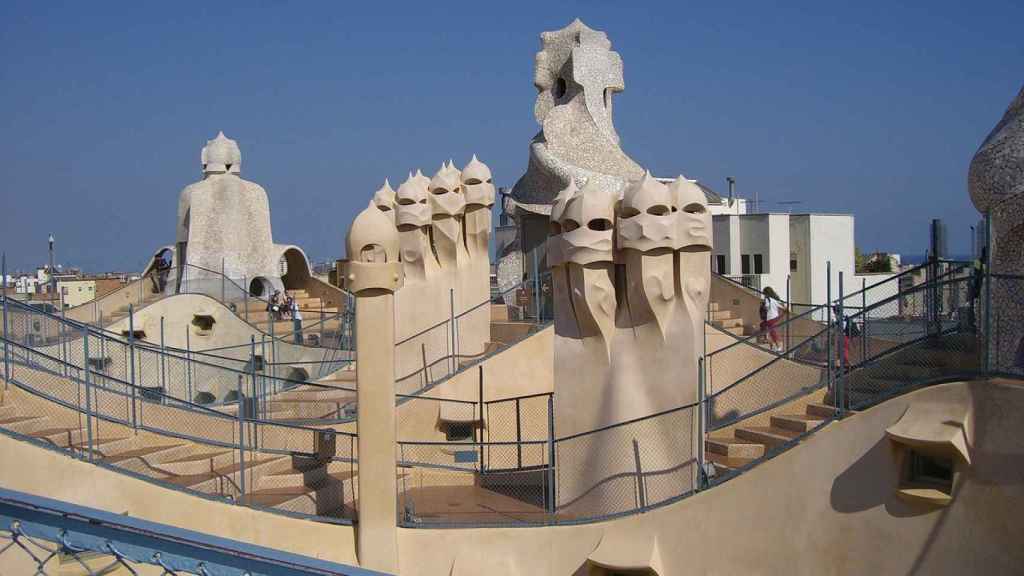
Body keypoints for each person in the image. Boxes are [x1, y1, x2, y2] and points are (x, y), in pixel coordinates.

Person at [760, 286, 785, 352]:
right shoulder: (775, 300)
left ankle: (778, 347)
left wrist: (764, 306)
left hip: (770, 318)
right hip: (775, 317)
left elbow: (767, 307)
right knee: (769, 329)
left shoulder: (767, 299)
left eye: (764, 293)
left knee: (772, 332)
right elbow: (782, 307)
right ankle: (774, 345)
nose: (763, 295)